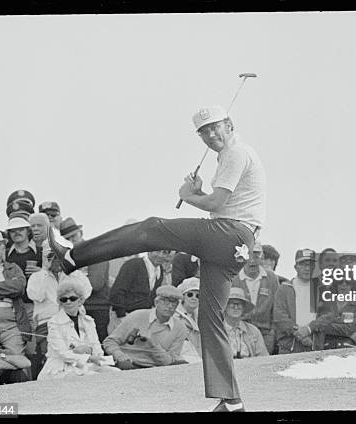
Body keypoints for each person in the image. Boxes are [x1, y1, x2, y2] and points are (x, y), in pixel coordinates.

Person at [48, 105, 264, 412]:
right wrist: (200, 192)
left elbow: (217, 202)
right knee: (210, 317)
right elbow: (221, 203)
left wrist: (190, 196)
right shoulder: (231, 155)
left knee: (151, 227)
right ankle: (231, 401)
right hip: (238, 243)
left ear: (230, 125)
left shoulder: (235, 152)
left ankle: (72, 256)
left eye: (216, 127)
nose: (211, 134)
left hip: (230, 234)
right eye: (204, 131)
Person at [27, 239, 92, 378]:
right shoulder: (37, 277)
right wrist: (45, 270)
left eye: (58, 255)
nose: (55, 259)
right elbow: (35, 295)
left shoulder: (75, 275)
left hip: (75, 323)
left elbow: (86, 292)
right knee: (58, 359)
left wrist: (69, 269)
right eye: (50, 256)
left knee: (81, 357)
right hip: (47, 325)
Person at [37, 280, 117, 380]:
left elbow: (97, 347)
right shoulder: (54, 323)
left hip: (84, 364)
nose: (68, 302)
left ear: (80, 300)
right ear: (60, 303)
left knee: (115, 373)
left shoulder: (89, 321)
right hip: (61, 367)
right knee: (92, 378)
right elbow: (63, 353)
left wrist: (89, 350)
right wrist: (88, 356)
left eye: (72, 298)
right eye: (64, 299)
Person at [103, 285, 189, 369]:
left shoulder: (180, 328)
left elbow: (170, 361)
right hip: (130, 364)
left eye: (173, 303)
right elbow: (109, 342)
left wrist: (152, 345)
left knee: (182, 365)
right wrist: (120, 356)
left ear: (177, 305)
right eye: (165, 301)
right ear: (156, 302)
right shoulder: (137, 316)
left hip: (157, 368)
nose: (170, 306)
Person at [61, 217, 111, 342]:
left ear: (81, 233)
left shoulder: (97, 251)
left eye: (74, 236)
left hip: (96, 308)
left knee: (97, 349)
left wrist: (72, 282)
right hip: (73, 309)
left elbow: (95, 284)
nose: (72, 241)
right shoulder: (66, 257)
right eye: (67, 239)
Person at [108, 250, 174, 334]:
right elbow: (117, 292)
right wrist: (122, 315)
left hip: (142, 319)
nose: (160, 255)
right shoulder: (133, 264)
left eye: (164, 252)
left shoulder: (159, 269)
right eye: (157, 251)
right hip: (124, 316)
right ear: (149, 251)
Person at [231, 241, 279, 354]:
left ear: (261, 257)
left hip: (265, 331)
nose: (252, 260)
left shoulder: (271, 277)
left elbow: (276, 307)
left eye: (256, 255)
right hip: (241, 329)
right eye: (249, 255)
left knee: (264, 364)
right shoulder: (234, 278)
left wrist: (272, 331)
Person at [274, 249, 318, 354]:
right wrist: (298, 334)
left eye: (310, 265)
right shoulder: (284, 288)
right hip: (289, 346)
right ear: (295, 267)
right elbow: (279, 316)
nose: (307, 268)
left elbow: (326, 316)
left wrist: (309, 329)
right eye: (303, 264)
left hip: (315, 344)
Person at [224, 288, 268, 359]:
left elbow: (263, 357)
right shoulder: (217, 330)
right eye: (232, 303)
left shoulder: (253, 331)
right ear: (225, 306)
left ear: (244, 307)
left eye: (239, 304)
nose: (236, 307)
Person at [175, 277, 202, 363]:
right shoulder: (175, 316)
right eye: (190, 294)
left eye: (198, 295)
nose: (194, 298)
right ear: (183, 296)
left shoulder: (201, 316)